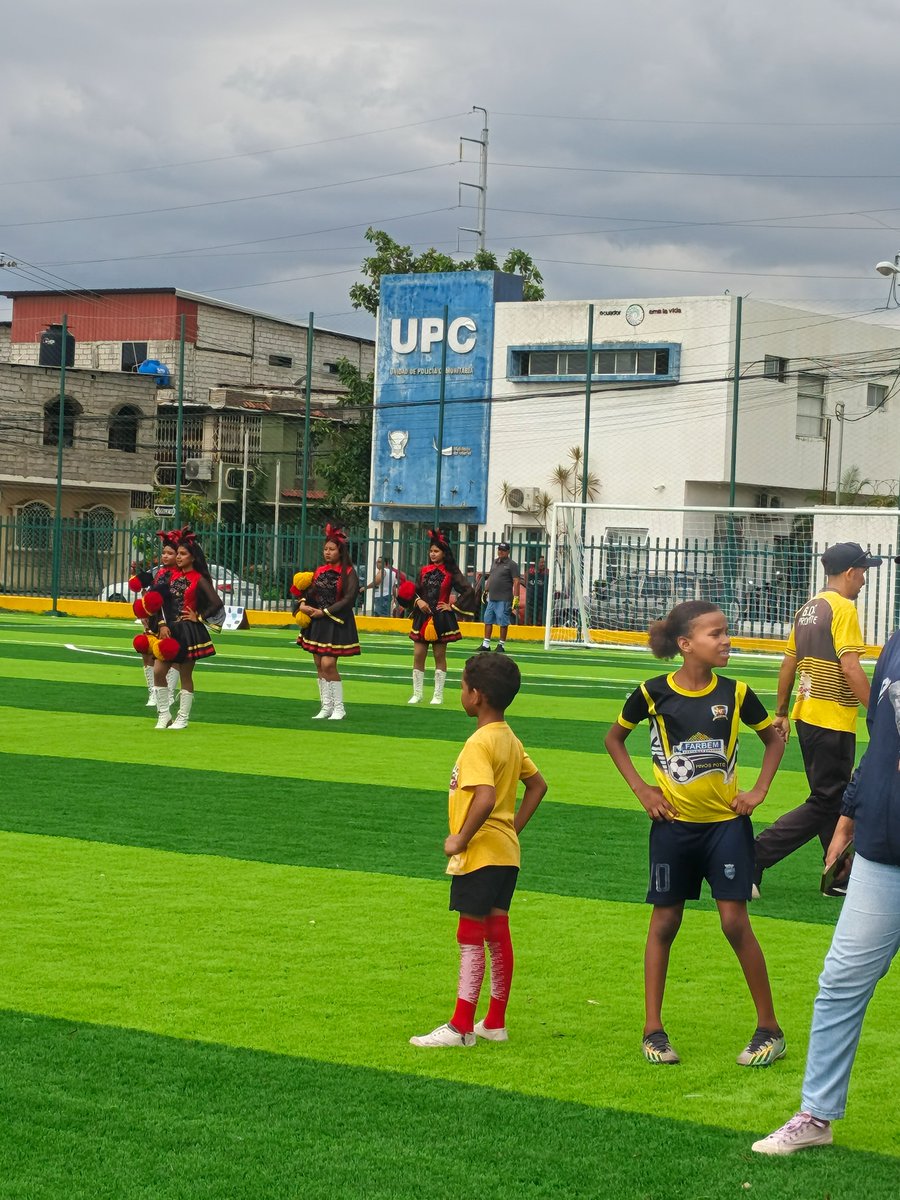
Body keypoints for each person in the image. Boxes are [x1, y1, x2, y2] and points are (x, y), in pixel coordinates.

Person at [604, 600, 786, 1067]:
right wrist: (643, 789)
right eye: (716, 633)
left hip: (725, 827)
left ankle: (769, 1028)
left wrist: (759, 790)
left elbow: (773, 739)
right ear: (686, 645)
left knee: (734, 923)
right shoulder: (650, 693)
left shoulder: (738, 692)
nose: (726, 640)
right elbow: (614, 740)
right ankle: (653, 1031)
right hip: (672, 830)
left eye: (727, 632)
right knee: (664, 924)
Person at [752, 620, 900, 1154]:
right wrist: (849, 814)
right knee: (840, 981)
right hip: (883, 850)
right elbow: (883, 738)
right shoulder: (898, 640)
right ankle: (816, 1115)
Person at [409, 652, 547, 1048]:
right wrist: (511, 828)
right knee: (497, 930)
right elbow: (538, 785)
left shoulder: (478, 743)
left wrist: (461, 839)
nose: (460, 692)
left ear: (477, 696)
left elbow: (484, 796)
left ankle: (460, 1027)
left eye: (463, 686)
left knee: (470, 932)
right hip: (506, 853)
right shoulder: (509, 737)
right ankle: (494, 1022)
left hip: (481, 853)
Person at [753, 541, 880, 896]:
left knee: (833, 796)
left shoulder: (808, 608)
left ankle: (837, 876)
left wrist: (781, 712)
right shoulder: (843, 609)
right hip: (832, 719)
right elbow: (851, 667)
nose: (865, 580)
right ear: (851, 572)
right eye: (864, 572)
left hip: (806, 715)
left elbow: (788, 663)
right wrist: (879, 713)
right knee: (827, 800)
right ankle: (754, 856)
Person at [153, 530, 226, 731]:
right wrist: (162, 625)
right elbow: (158, 603)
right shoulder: (169, 576)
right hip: (168, 631)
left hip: (188, 632)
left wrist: (199, 617)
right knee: (159, 671)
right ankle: (164, 714)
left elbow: (216, 603)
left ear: (193, 557)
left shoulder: (199, 579)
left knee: (185, 676)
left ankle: (183, 718)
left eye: (183, 554)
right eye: (178, 553)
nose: (178, 557)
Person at [404, 529, 476, 706]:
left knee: (439, 655)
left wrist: (452, 606)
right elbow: (415, 591)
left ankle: (438, 695)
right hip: (422, 618)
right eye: (431, 551)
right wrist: (419, 601)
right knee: (418, 654)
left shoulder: (451, 572)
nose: (433, 554)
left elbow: (469, 590)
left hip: (441, 619)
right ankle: (417, 693)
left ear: (444, 553)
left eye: (436, 551)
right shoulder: (424, 571)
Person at [296, 524, 360, 720]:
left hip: (336, 621)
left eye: (332, 549)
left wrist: (324, 612)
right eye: (325, 549)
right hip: (318, 622)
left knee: (328, 663)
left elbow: (349, 599)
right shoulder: (320, 570)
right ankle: (326, 706)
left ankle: (339, 708)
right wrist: (304, 604)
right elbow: (311, 593)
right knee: (318, 663)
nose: (328, 552)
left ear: (340, 551)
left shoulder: (348, 572)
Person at [129, 529, 180, 708]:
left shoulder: (179, 576)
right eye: (164, 552)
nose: (165, 556)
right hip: (154, 617)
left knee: (171, 654)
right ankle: (153, 691)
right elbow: (149, 593)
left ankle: (170, 692)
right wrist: (145, 613)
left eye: (170, 553)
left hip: (172, 618)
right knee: (147, 651)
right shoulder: (159, 573)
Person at [477, 542, 520, 653]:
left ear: (508, 552)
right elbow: (491, 577)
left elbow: (516, 581)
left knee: (503, 621)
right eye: (499, 549)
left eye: (503, 550)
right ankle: (486, 644)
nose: (500, 552)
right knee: (488, 619)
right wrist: (486, 590)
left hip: (504, 597)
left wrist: (516, 597)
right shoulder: (495, 562)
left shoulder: (512, 564)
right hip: (492, 597)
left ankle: (501, 644)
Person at [525, 555, 549, 627]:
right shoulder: (530, 572)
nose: (543, 564)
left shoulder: (546, 572)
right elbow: (526, 583)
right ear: (536, 563)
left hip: (543, 599)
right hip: (531, 599)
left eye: (544, 562)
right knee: (531, 617)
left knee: (541, 618)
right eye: (541, 562)